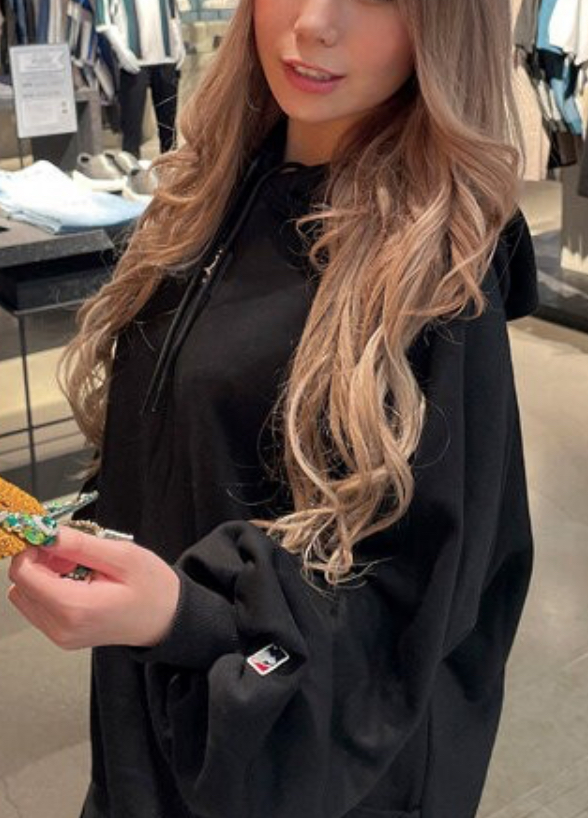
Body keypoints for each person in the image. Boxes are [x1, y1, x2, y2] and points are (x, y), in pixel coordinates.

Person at [6, 0, 538, 816]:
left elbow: (424, 620)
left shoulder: (441, 276)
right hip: (149, 738)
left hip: (289, 768)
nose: (316, 23)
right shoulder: (208, 194)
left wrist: (185, 618)